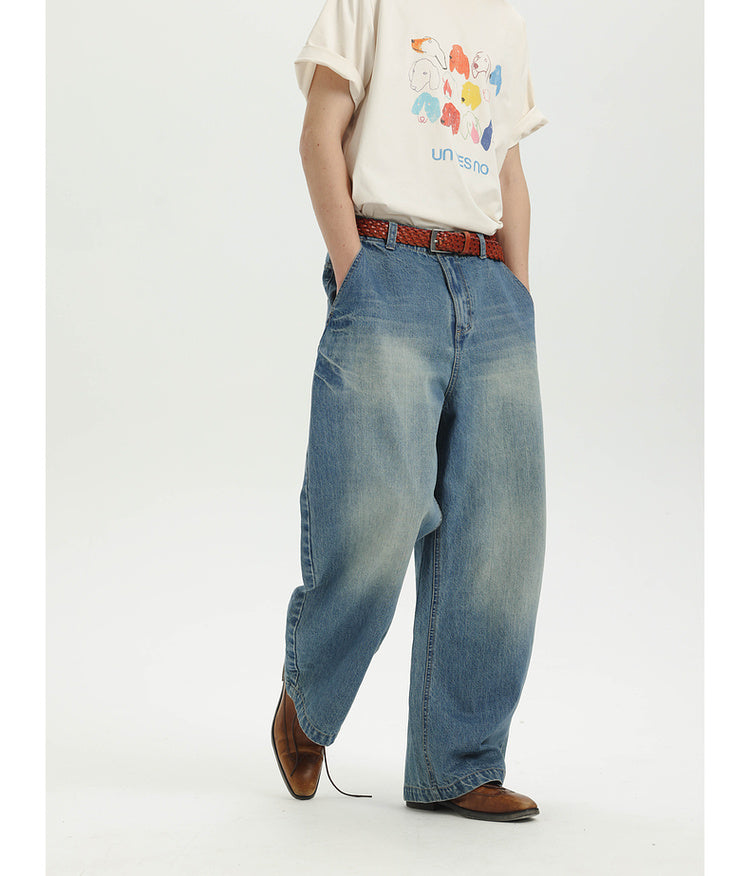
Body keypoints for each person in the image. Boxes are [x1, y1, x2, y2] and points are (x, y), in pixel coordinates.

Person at [271, 0, 549, 823]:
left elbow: (508, 172)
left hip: (488, 279)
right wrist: (354, 266)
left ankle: (458, 764)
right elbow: (319, 135)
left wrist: (518, 293)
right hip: (387, 261)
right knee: (378, 511)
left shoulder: (505, 22)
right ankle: (309, 698)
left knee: (501, 533)